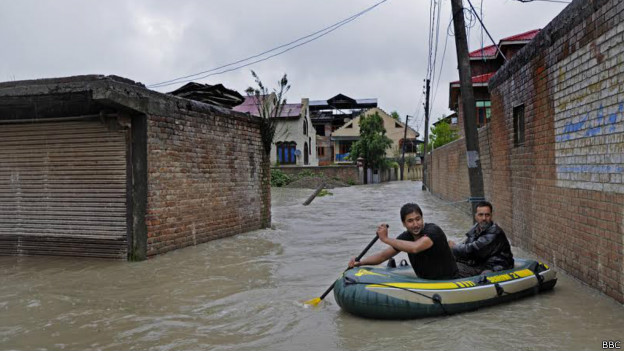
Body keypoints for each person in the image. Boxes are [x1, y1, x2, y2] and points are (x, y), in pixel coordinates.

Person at [348, 203, 458, 280]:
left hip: (448, 279)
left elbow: (415, 247)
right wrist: (361, 262)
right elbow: (382, 256)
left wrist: (386, 239)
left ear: (422, 218)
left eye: (418, 219)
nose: (415, 224)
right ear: (404, 224)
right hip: (425, 280)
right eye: (410, 221)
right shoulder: (405, 237)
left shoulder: (433, 231)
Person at [448, 201, 514, 277]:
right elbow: (466, 246)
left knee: (455, 269)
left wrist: (454, 247)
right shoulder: (476, 229)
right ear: (476, 216)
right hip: (481, 262)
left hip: (494, 266)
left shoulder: (495, 232)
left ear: (491, 216)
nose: (484, 218)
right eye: (480, 215)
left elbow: (473, 250)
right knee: (450, 263)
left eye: (487, 215)